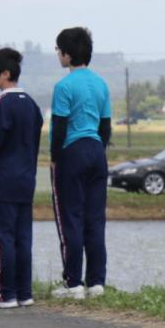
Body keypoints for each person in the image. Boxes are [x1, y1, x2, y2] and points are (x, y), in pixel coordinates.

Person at [0, 47, 44, 309]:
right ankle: (24, 292)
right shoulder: (32, 104)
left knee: (1, 237)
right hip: (26, 180)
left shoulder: (2, 102)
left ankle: (5, 293)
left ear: (4, 74)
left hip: (0, 181)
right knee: (22, 238)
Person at [49, 27, 112, 300]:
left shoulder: (64, 86)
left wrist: (53, 158)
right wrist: (98, 147)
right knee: (95, 219)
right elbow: (106, 126)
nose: (57, 54)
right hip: (97, 151)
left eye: (58, 50)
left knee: (71, 218)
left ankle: (73, 283)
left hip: (72, 151)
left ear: (67, 54)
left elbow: (59, 126)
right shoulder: (101, 84)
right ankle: (96, 283)